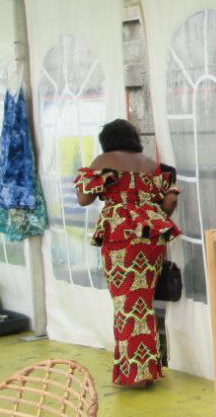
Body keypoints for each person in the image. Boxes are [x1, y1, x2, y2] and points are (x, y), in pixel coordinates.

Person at [75, 119, 181, 388]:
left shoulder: (105, 159)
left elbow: (84, 199)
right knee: (141, 302)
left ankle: (138, 374)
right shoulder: (150, 164)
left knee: (127, 305)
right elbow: (166, 207)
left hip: (122, 238)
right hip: (151, 238)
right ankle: (142, 368)